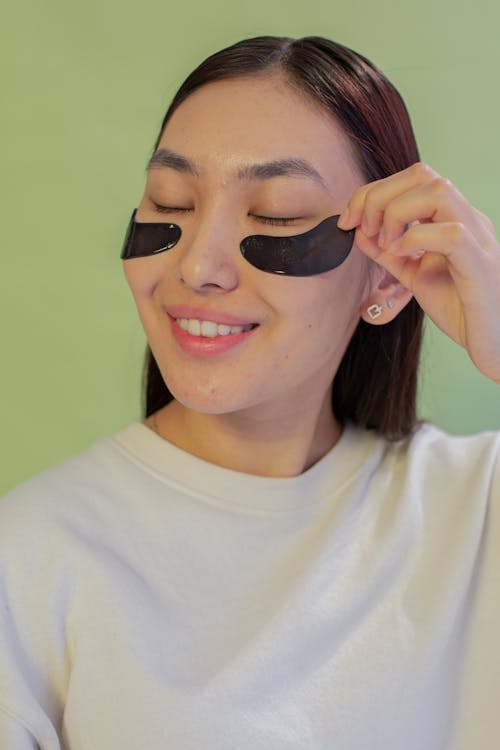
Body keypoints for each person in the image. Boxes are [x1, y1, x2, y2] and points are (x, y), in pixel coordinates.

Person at [0, 35, 499, 750]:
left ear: (388, 275)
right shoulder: (31, 559)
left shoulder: (475, 512)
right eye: (170, 202)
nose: (196, 265)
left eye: (277, 215)